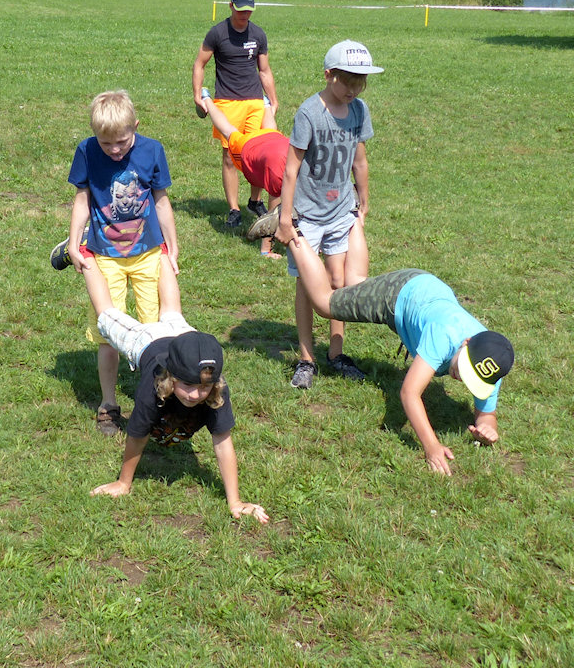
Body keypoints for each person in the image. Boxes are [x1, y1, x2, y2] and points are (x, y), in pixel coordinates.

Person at [284, 232, 515, 476]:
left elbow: (486, 414)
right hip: (400, 293)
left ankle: (354, 222)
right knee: (325, 303)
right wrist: (431, 446)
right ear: (466, 343)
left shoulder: (492, 363)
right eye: (464, 368)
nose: (462, 377)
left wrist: (488, 429)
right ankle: (293, 233)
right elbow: (409, 393)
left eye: (472, 378)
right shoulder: (444, 335)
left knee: (355, 284)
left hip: (428, 291)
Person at [82, 269, 268, 523]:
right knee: (107, 315)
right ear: (171, 378)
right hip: (146, 341)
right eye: (188, 385)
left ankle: (163, 254)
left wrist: (234, 501)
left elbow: (223, 442)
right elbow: (137, 437)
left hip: (184, 338)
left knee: (172, 312)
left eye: (203, 388)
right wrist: (124, 482)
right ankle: (86, 257)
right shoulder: (152, 389)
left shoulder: (214, 386)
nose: (195, 395)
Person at [58, 89, 182, 436]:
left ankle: (159, 403)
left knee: (156, 331)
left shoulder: (152, 150)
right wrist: (73, 241)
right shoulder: (86, 151)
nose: (114, 150)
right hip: (105, 257)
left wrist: (172, 246)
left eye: (122, 142)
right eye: (106, 143)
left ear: (135, 127)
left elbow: (161, 201)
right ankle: (109, 404)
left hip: (147, 253)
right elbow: (82, 199)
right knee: (109, 333)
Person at [274, 40, 383, 390]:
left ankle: (336, 353)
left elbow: (359, 160)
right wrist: (285, 218)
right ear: (328, 75)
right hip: (307, 214)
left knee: (339, 281)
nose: (353, 89)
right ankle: (306, 359)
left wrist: (363, 198)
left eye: (360, 82)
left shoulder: (359, 110)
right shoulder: (310, 113)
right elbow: (291, 169)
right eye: (347, 81)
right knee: (308, 286)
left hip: (340, 211)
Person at [192, 0, 279, 228]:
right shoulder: (217, 33)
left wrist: (273, 99)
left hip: (254, 101)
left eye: (249, 10)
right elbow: (199, 64)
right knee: (231, 157)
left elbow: (264, 70)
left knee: (259, 154)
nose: (244, 14)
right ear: (231, 6)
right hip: (227, 102)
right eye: (240, 10)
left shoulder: (258, 34)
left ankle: (254, 201)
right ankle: (234, 209)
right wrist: (197, 94)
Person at [200, 88, 288, 259]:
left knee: (271, 130)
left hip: (274, 140)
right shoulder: (279, 175)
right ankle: (207, 100)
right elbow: (271, 215)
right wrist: (266, 250)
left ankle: (266, 105)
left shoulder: (303, 160)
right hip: (248, 148)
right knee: (229, 131)